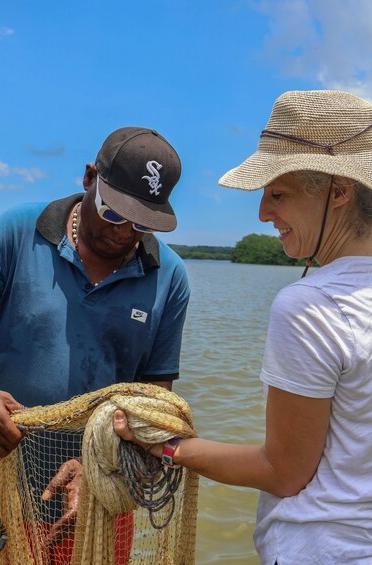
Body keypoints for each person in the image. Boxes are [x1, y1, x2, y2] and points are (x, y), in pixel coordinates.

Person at [114, 90, 372, 564]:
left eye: (279, 194)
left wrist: (167, 446)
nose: (262, 214)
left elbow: (283, 472)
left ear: (339, 191)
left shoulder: (311, 304)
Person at [0, 126, 189, 559]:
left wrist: (99, 469)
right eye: (114, 212)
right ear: (89, 178)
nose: (124, 233)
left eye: (142, 222)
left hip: (99, 500)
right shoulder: (13, 234)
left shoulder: (170, 277)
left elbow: (153, 401)